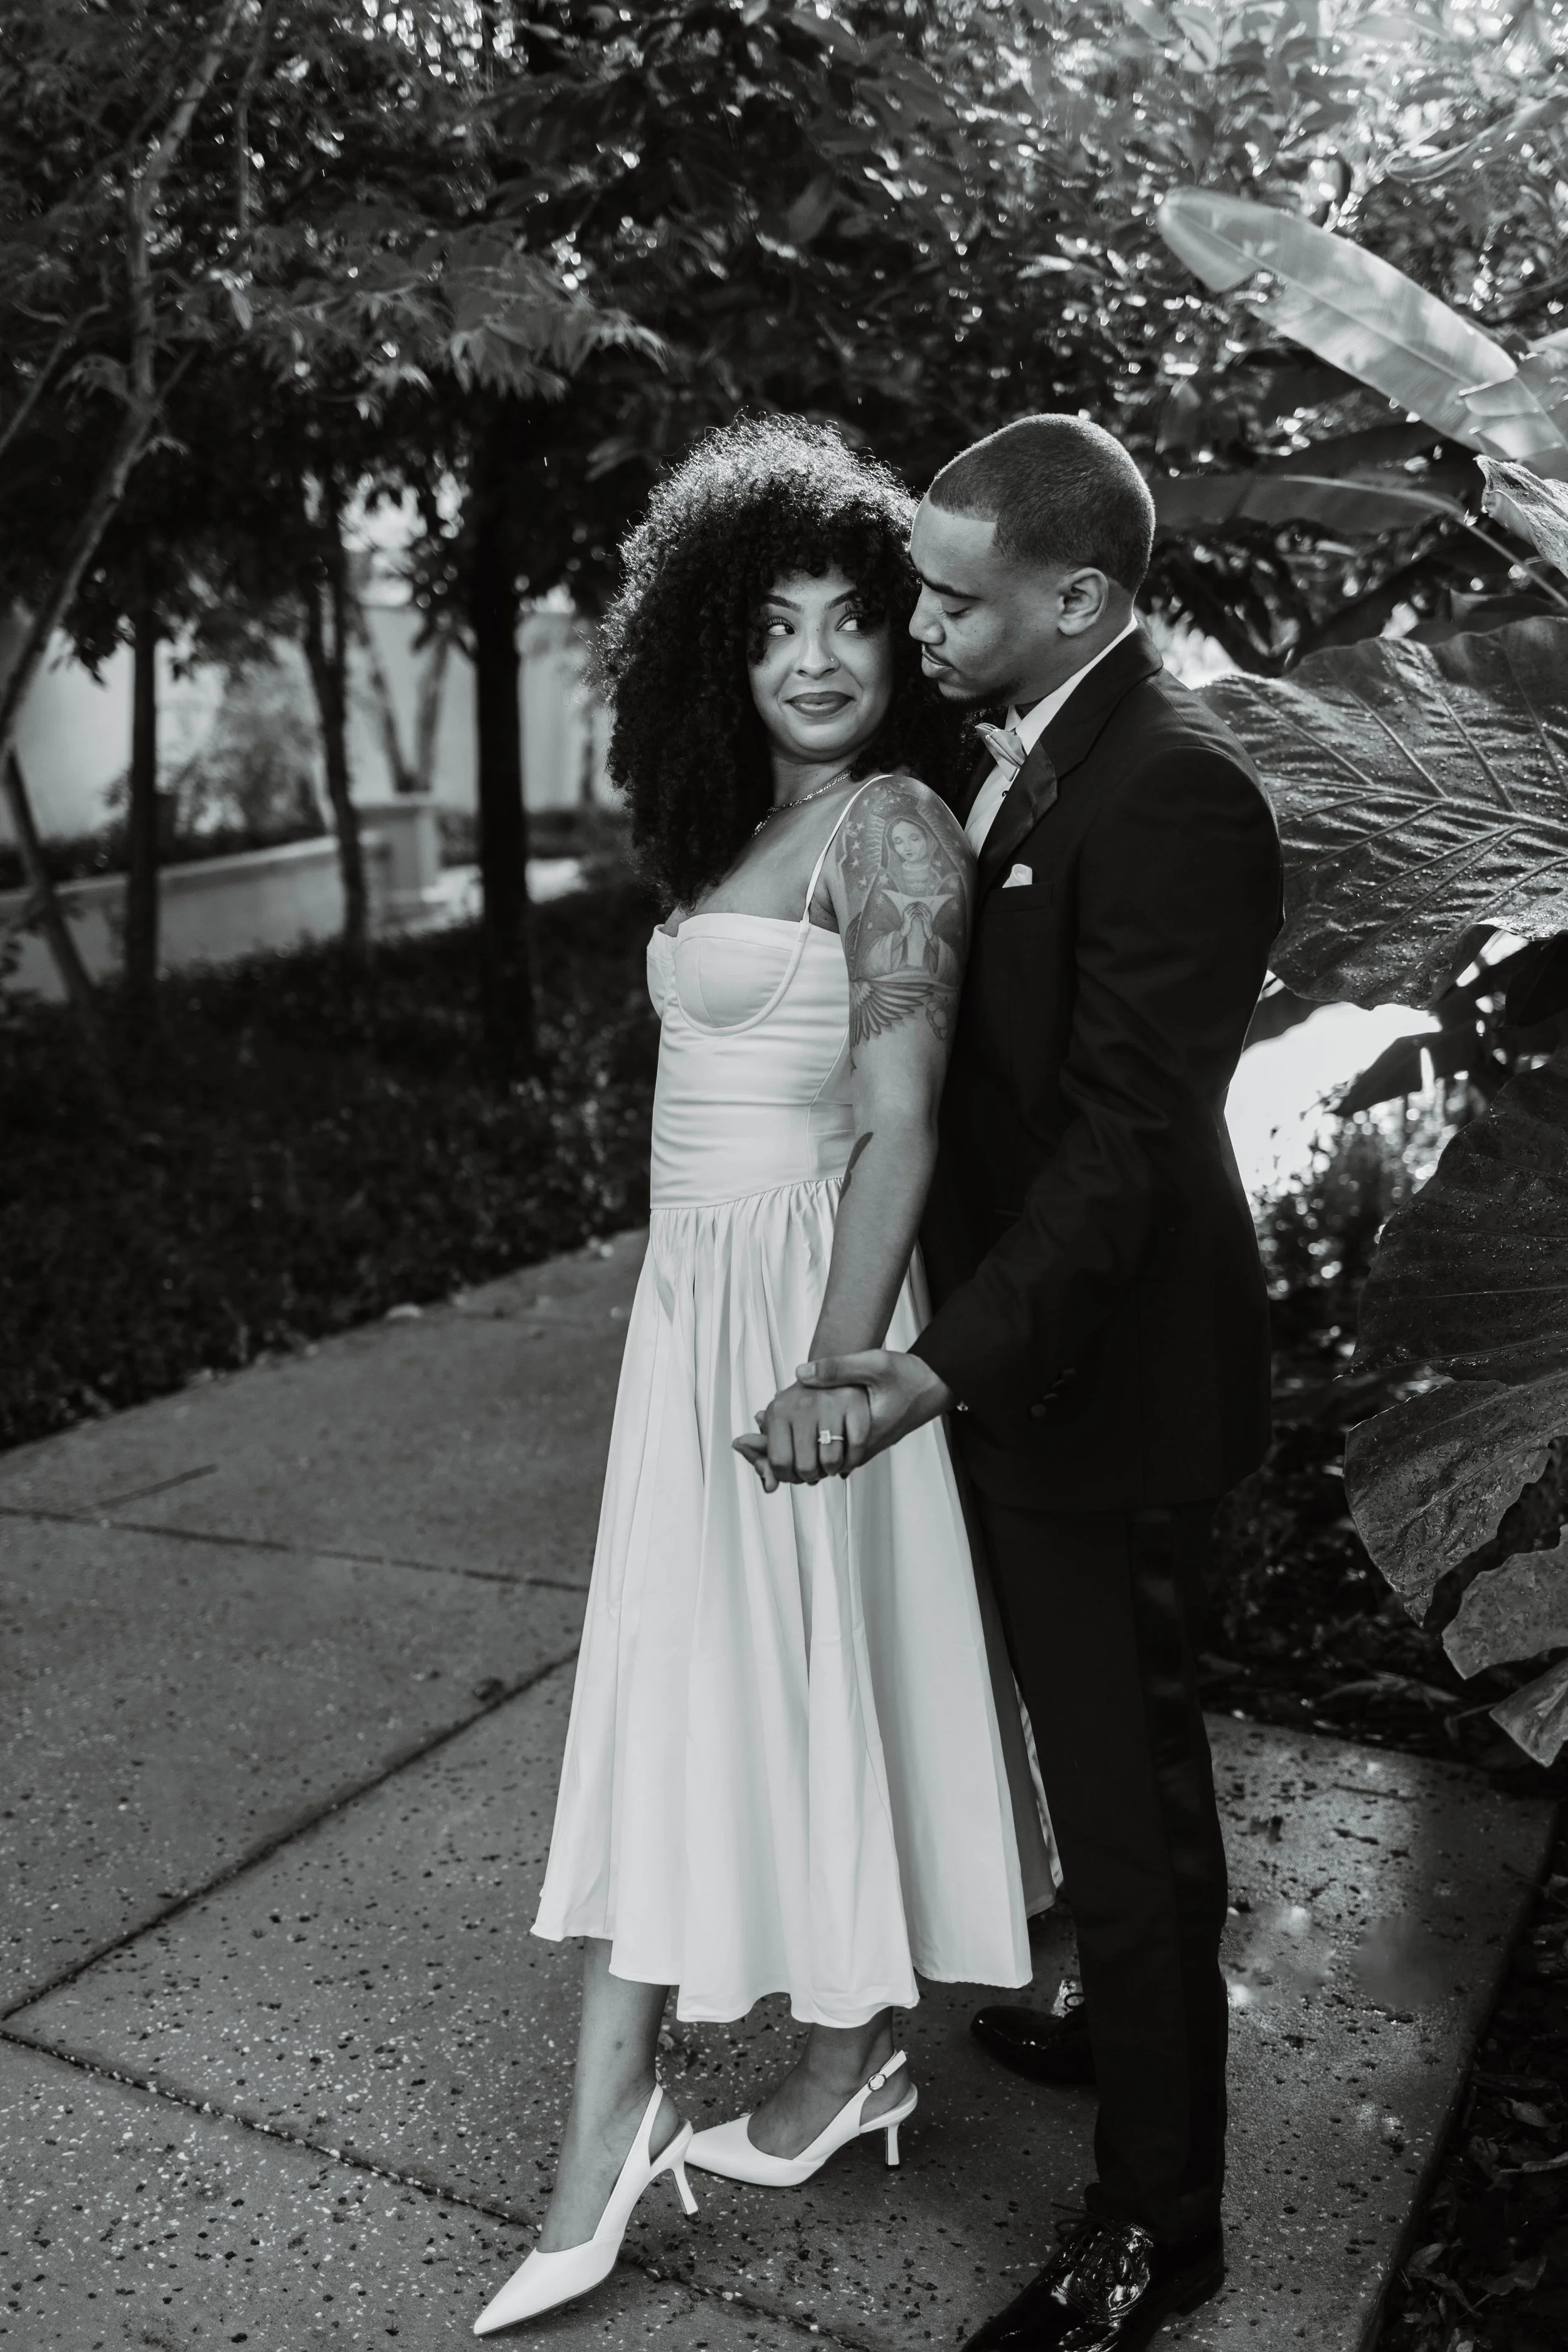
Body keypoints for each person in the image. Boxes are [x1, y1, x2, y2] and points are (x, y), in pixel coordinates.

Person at [472, 416, 1052, 2339]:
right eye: (772, 625)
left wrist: (830, 1364)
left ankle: (607, 2134)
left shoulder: (888, 828)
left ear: (899, 644)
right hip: (693, 1319)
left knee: (705, 1687)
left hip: (805, 1312)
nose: (813, 659)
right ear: (713, 649)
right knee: (774, 1687)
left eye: (849, 623)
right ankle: (845, 2065)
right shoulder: (739, 829)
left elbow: (894, 1129)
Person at [771, 413, 1285, 2350]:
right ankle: (1100, 2014)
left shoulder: (1173, 793)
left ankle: (1163, 2223)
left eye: (947, 596)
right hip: (1029, 1374)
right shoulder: (1042, 759)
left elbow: (1118, 1148)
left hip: (1107, 1386)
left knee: (1131, 1795)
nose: (915, 622)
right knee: (1089, 1762)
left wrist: (931, 1368)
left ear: (1075, 598)